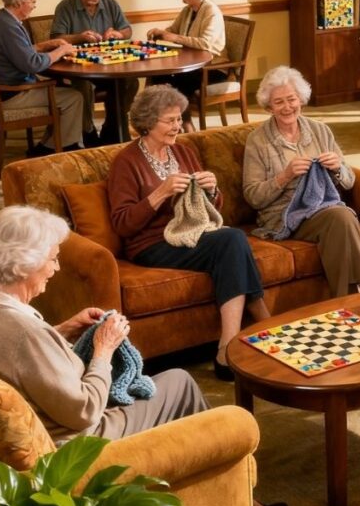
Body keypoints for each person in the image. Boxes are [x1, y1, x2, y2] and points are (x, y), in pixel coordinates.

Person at [0, 205, 288, 506]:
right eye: (53, 258)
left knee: (170, 384)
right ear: (26, 264)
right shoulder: (24, 334)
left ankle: (206, 490)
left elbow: (18, 358)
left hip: (48, 419)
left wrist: (63, 331)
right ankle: (239, 503)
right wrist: (103, 350)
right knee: (179, 383)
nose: (55, 268)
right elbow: (83, 411)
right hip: (75, 444)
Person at [107, 85, 270, 382]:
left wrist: (212, 189)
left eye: (179, 119)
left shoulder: (183, 151)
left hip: (193, 233)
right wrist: (159, 194)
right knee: (232, 240)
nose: (177, 126)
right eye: (169, 121)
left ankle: (228, 348)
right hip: (152, 243)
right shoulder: (126, 162)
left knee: (231, 243)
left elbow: (210, 208)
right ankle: (248, 333)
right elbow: (123, 224)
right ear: (147, 122)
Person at [242, 66, 360, 298]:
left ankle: (349, 299)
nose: (287, 107)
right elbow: (253, 196)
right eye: (279, 102)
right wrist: (284, 176)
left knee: (340, 217)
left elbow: (349, 181)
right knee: (342, 216)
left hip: (322, 207)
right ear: (268, 107)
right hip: (283, 215)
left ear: (301, 99)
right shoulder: (258, 141)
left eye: (291, 99)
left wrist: (337, 168)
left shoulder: (320, 130)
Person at [0, 0, 84, 156]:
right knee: (73, 97)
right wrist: (61, 50)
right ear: (20, 2)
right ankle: (60, 148)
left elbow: (19, 52)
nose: (34, 6)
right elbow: (32, 64)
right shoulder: (9, 28)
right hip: (12, 93)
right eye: (33, 1)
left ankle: (48, 144)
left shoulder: (0, 20)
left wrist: (47, 45)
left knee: (62, 89)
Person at [51, 0, 138, 146]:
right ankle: (87, 132)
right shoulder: (65, 6)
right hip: (76, 69)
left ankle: (113, 126)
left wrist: (117, 34)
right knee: (84, 87)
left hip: (107, 65)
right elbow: (55, 38)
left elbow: (127, 30)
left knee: (130, 81)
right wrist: (79, 37)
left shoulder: (110, 3)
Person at [147, 0, 226, 133]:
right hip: (193, 65)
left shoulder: (211, 12)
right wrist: (160, 32)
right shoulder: (188, 9)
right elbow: (174, 29)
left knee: (179, 81)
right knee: (157, 76)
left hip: (213, 68)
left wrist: (174, 38)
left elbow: (205, 43)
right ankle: (159, 122)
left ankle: (187, 125)